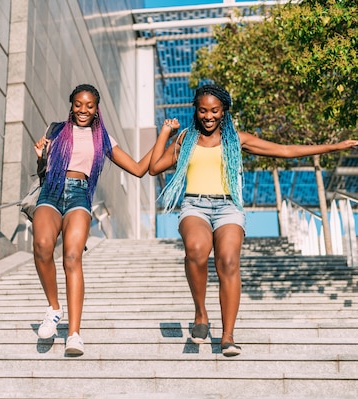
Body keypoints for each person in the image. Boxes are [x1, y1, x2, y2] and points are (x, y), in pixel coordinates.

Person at [148, 83, 358, 356]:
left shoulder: (237, 139)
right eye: (203, 111)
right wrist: (165, 133)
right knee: (197, 251)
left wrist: (335, 147)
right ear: (195, 111)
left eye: (214, 111)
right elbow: (154, 168)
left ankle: (227, 335)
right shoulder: (185, 138)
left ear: (224, 111)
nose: (208, 116)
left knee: (228, 260)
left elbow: (283, 150)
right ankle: (201, 314)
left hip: (228, 207)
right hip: (194, 205)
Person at [32, 83, 158, 356]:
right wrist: (41, 155)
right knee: (42, 246)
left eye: (89, 105)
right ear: (72, 104)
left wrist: (164, 139)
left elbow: (137, 169)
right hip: (51, 192)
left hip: (79, 196)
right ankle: (54, 309)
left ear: (96, 109)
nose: (83, 110)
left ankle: (74, 334)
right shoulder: (55, 130)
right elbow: (42, 167)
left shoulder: (103, 139)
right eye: (78, 104)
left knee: (72, 257)